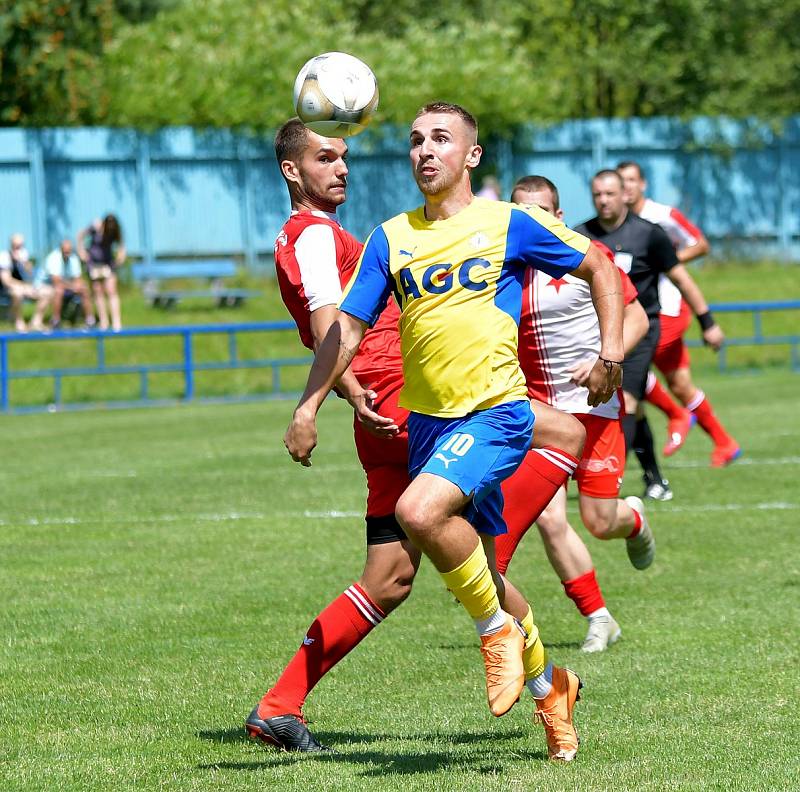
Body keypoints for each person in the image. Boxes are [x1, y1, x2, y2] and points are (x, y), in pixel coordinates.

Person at [247, 118, 597, 760]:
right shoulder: (317, 237)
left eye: (344, 156)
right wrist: (339, 395)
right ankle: (543, 671)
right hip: (409, 411)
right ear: (291, 172)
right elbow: (333, 326)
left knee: (388, 577)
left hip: (386, 417)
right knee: (557, 439)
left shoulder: (314, 236)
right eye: (326, 158)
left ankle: (280, 704)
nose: (342, 169)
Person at [496, 175, 653, 653]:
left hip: (596, 410)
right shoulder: (504, 268)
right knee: (548, 518)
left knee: (601, 521)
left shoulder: (587, 258)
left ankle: (636, 521)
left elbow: (639, 318)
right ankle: (599, 617)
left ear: (559, 217)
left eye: (541, 211)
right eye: (521, 212)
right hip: (542, 418)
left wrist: (607, 362)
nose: (532, 220)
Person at [574, 170, 721, 501]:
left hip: (641, 328)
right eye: (598, 194)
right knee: (632, 409)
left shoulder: (648, 234)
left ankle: (610, 482)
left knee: (626, 402)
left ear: (624, 195)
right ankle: (654, 476)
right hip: (599, 330)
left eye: (610, 193)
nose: (604, 200)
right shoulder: (581, 236)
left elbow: (682, 279)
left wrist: (707, 321)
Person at [618, 161, 741, 468]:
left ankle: (677, 415)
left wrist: (662, 259)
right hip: (638, 309)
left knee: (628, 364)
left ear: (643, 184)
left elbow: (701, 244)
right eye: (622, 181)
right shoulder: (619, 223)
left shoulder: (663, 216)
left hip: (668, 308)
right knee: (680, 384)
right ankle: (725, 443)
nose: (628, 186)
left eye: (633, 180)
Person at [77, 214, 126, 331]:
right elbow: (80, 235)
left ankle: (116, 321)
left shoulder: (114, 231)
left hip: (108, 264)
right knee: (98, 292)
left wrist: (121, 255)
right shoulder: (96, 227)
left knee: (111, 290)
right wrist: (81, 251)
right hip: (93, 264)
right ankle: (103, 321)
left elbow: (121, 245)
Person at [38, 240, 95, 329]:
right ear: (61, 249)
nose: (67, 254)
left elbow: (78, 278)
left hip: (67, 286)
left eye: (69, 251)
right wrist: (73, 286)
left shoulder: (73, 258)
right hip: (47, 286)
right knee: (58, 290)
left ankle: (90, 320)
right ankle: (56, 320)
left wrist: (78, 285)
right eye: (65, 251)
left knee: (84, 288)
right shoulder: (53, 258)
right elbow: (56, 281)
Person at [0, 234, 51, 332]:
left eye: (21, 245)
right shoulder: (4, 257)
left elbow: (31, 276)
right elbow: (6, 281)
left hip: (25, 286)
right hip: (8, 289)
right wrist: (24, 286)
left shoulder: (24, 255)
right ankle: (19, 321)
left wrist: (25, 263)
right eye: (17, 245)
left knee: (48, 291)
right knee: (17, 292)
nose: (19, 248)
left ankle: (36, 322)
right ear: (11, 245)